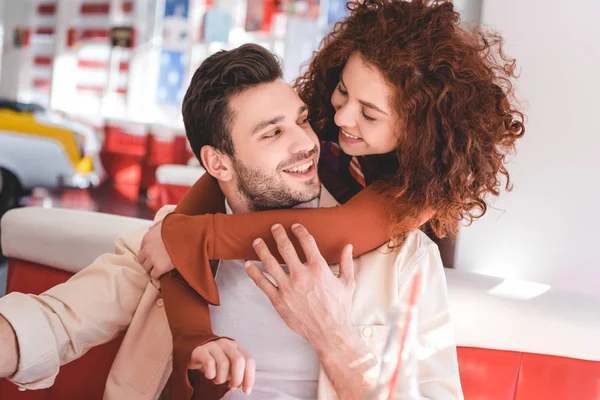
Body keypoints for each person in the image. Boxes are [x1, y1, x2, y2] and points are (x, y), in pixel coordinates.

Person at [0, 43, 463, 399]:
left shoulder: (400, 257)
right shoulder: (171, 233)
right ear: (217, 164)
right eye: (273, 132)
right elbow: (55, 322)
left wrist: (334, 337)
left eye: (301, 120)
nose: (307, 142)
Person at [138, 0, 524, 397]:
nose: (341, 117)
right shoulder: (324, 125)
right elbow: (211, 189)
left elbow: (337, 231)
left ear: (418, 130)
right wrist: (179, 238)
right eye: (343, 89)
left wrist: (193, 236)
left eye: (370, 115)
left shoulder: (420, 189)